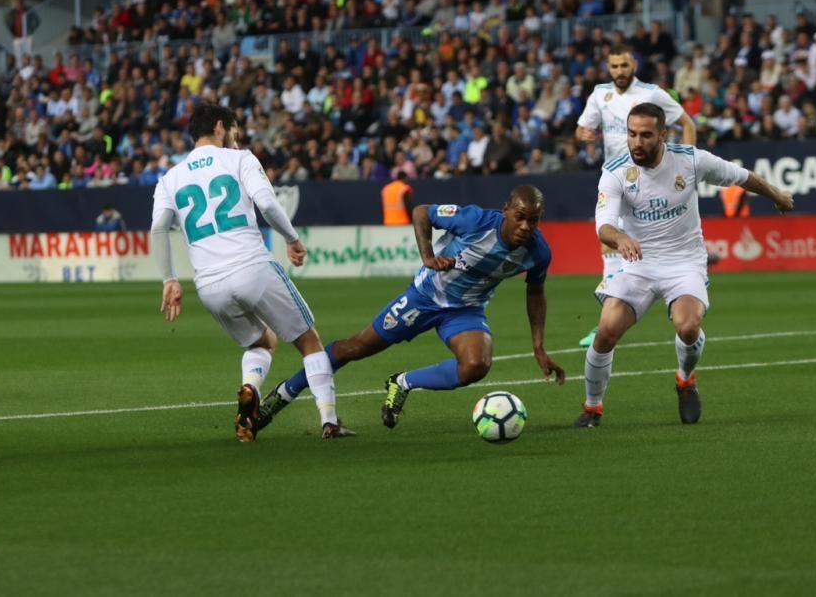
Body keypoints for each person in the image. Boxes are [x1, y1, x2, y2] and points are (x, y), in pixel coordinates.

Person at [255, 186, 566, 432]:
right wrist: (428, 256)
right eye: (521, 217)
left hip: (465, 311)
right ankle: (283, 395)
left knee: (476, 365)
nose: (526, 226)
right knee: (355, 348)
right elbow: (421, 212)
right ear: (506, 211)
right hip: (423, 298)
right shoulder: (476, 221)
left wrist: (538, 346)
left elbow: (536, 292)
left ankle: (402, 382)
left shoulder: (538, 253)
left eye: (534, 220)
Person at [575, 103, 794, 428]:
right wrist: (620, 238)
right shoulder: (616, 171)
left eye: (646, 135)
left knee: (688, 327)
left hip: (684, 263)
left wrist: (776, 195)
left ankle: (685, 379)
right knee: (606, 331)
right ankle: (592, 408)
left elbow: (742, 176)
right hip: (638, 266)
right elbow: (603, 226)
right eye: (632, 134)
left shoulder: (691, 160)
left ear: (662, 135)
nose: (637, 142)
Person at [150, 103, 352, 441]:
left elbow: (159, 229)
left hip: (209, 285)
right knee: (309, 342)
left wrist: (170, 279)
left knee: (262, 342)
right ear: (219, 127)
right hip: (252, 267)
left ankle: (250, 387)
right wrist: (292, 238)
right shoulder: (240, 158)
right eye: (233, 131)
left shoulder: (169, 178)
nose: (235, 137)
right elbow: (268, 203)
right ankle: (329, 421)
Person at [574, 44, 697, 346]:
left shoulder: (652, 94)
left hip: (651, 179)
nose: (619, 72)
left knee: (640, 245)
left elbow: (687, 124)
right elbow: (581, 129)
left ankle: (675, 297)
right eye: (614, 66)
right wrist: (584, 135)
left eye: (624, 66)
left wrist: (690, 165)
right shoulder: (599, 95)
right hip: (615, 179)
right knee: (608, 243)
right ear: (608, 67)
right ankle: (608, 320)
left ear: (634, 66)